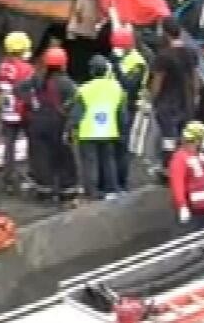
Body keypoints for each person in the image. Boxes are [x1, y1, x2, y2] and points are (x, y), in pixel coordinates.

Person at [17, 46, 77, 202]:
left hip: (38, 122)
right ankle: (66, 191)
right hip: (58, 123)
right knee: (64, 158)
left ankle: (45, 191)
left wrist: (31, 104)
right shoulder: (67, 83)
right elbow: (75, 103)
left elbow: (19, 88)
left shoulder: (38, 78)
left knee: (41, 158)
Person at [71, 55, 126, 201]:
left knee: (90, 162)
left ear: (92, 71)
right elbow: (122, 113)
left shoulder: (84, 89)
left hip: (88, 132)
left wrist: (71, 127)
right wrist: (122, 130)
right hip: (108, 130)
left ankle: (92, 191)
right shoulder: (116, 88)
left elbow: (77, 113)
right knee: (108, 160)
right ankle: (112, 188)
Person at [149, 19, 200, 169]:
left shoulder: (163, 56)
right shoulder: (191, 52)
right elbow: (195, 77)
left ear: (166, 33)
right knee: (185, 136)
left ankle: (169, 167)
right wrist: (195, 97)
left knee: (168, 138)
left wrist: (152, 99)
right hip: (186, 101)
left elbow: (158, 81)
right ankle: (185, 164)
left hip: (167, 103)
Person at [110, 26, 148, 194]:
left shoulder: (137, 63)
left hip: (127, 107)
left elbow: (129, 85)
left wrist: (117, 65)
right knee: (113, 146)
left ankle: (122, 183)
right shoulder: (120, 58)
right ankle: (112, 181)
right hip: (113, 106)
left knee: (123, 147)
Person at [0, 31, 35, 192]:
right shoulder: (26, 68)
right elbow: (29, 91)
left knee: (9, 145)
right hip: (22, 110)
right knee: (31, 143)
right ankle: (30, 173)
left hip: (7, 110)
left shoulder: (3, 65)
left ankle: (8, 177)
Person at [169, 121, 204, 232]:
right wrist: (182, 206)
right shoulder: (180, 158)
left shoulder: (200, 156)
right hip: (191, 211)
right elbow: (177, 184)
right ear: (197, 140)